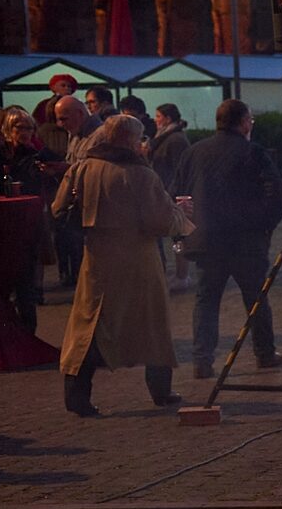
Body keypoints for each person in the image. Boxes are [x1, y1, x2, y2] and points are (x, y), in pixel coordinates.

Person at [53, 115, 194, 416]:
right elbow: (159, 221)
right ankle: (161, 390)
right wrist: (179, 213)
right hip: (138, 260)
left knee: (89, 325)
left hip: (96, 259)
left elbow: (58, 208)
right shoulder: (141, 174)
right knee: (152, 325)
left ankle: (76, 395)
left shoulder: (81, 168)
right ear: (131, 140)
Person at [172, 99, 282, 381]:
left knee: (206, 300)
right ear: (244, 122)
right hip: (245, 240)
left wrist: (185, 231)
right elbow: (276, 193)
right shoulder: (253, 152)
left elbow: (177, 193)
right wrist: (263, 225)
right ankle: (264, 353)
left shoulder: (194, 152)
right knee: (256, 298)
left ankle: (202, 359)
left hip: (207, 239)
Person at [0, 111, 51, 330]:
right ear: (9, 129)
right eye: (20, 127)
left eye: (29, 128)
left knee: (26, 281)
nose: (25, 133)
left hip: (27, 222)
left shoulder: (35, 155)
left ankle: (28, 333)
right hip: (1, 222)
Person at [50, 95, 103, 286]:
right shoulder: (74, 133)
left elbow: (96, 170)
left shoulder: (99, 135)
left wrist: (64, 169)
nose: (60, 124)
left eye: (63, 118)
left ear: (79, 114)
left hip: (91, 207)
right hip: (76, 206)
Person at [148, 104, 193, 292]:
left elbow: (180, 168)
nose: (156, 119)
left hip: (174, 193)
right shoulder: (166, 137)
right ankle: (181, 274)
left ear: (167, 118)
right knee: (176, 236)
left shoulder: (175, 139)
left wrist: (177, 193)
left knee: (178, 237)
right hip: (168, 190)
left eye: (158, 116)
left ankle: (182, 274)